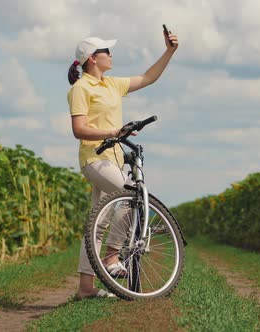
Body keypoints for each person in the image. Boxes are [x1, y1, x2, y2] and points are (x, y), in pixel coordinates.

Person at [67, 28, 178, 299]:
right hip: (95, 158)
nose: (111, 54)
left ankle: (85, 288)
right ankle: (112, 258)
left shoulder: (111, 84)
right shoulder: (81, 88)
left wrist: (170, 51)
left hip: (113, 160)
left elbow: (148, 77)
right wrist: (114, 132)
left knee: (99, 221)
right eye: (107, 51)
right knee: (131, 196)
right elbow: (79, 129)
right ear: (93, 58)